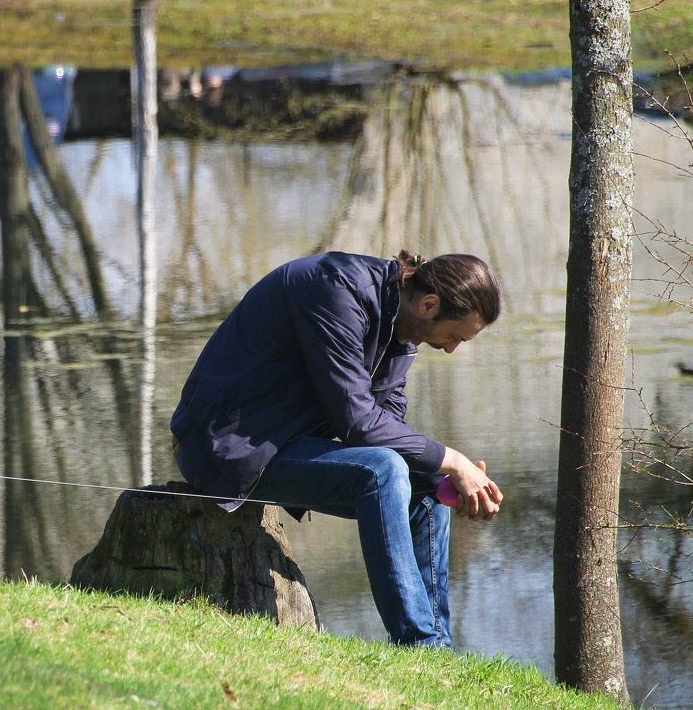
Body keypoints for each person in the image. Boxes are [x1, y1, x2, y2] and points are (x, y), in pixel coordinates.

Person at [169, 249, 504, 647]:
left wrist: (446, 475)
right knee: (383, 471)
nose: (451, 349)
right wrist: (455, 460)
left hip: (284, 444)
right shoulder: (335, 289)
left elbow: (388, 422)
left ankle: (437, 651)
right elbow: (356, 421)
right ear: (429, 304)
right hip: (227, 449)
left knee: (426, 481)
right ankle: (419, 643)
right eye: (455, 336)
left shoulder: (401, 325)